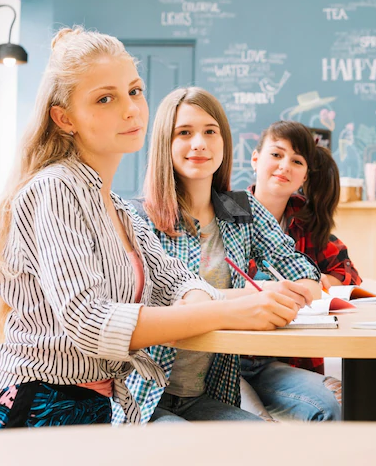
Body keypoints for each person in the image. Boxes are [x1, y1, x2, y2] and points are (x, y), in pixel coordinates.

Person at [0, 28, 308, 429]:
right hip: (36, 412)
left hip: (94, 409)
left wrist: (205, 301)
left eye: (135, 91)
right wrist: (229, 309)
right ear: (64, 118)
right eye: (105, 98)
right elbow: (89, 322)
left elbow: (176, 281)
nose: (131, 110)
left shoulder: (117, 208)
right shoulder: (54, 189)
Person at [117, 87, 331, 424]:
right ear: (165, 144)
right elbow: (162, 308)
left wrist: (297, 287)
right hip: (142, 399)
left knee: (268, 449)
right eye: (184, 133)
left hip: (206, 394)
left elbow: (306, 276)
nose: (199, 143)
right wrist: (250, 296)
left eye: (210, 132)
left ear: (224, 141)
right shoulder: (137, 217)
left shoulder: (239, 208)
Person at [237, 121, 362, 416]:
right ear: (255, 159)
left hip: (283, 361)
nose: (284, 166)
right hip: (229, 358)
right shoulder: (228, 211)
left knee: (340, 403)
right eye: (276, 155)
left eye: (296, 161)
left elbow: (348, 272)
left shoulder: (305, 224)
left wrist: (314, 283)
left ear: (305, 174)